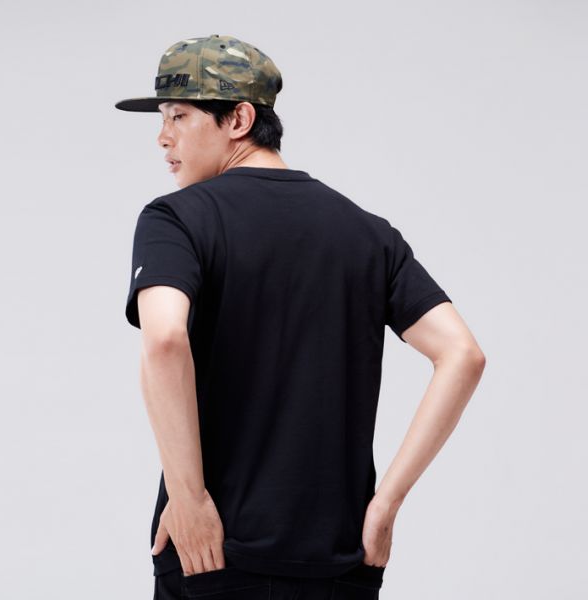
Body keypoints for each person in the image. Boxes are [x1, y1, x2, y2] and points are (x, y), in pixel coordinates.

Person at [115, 34, 486, 600]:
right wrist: (385, 504)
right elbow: (462, 354)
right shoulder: (367, 233)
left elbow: (164, 339)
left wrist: (188, 500)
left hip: (215, 552)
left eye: (179, 116)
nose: (163, 137)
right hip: (340, 560)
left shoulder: (177, 219)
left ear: (239, 119)